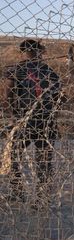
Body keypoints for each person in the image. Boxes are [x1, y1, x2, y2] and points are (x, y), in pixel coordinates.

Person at [2, 39, 61, 203]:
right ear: (40, 52)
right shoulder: (50, 72)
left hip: (24, 120)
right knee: (44, 160)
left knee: (15, 155)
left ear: (23, 52)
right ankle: (42, 198)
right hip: (45, 121)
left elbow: (7, 95)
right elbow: (59, 98)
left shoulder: (16, 70)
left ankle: (17, 192)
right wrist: (51, 116)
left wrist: (13, 116)